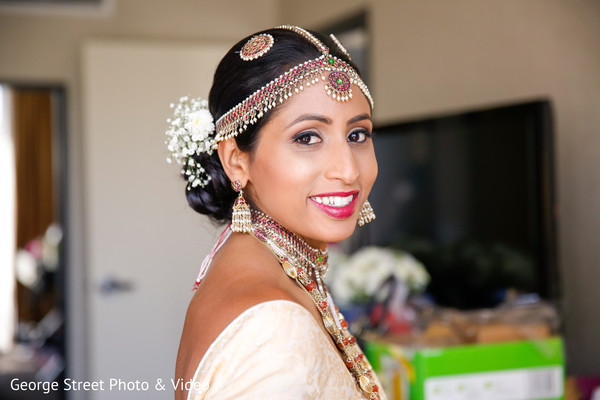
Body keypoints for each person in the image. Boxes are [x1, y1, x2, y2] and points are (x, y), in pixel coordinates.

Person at [167, 25, 384, 400]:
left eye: (357, 135)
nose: (348, 170)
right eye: (307, 138)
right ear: (236, 161)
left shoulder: (268, 268)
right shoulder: (274, 331)